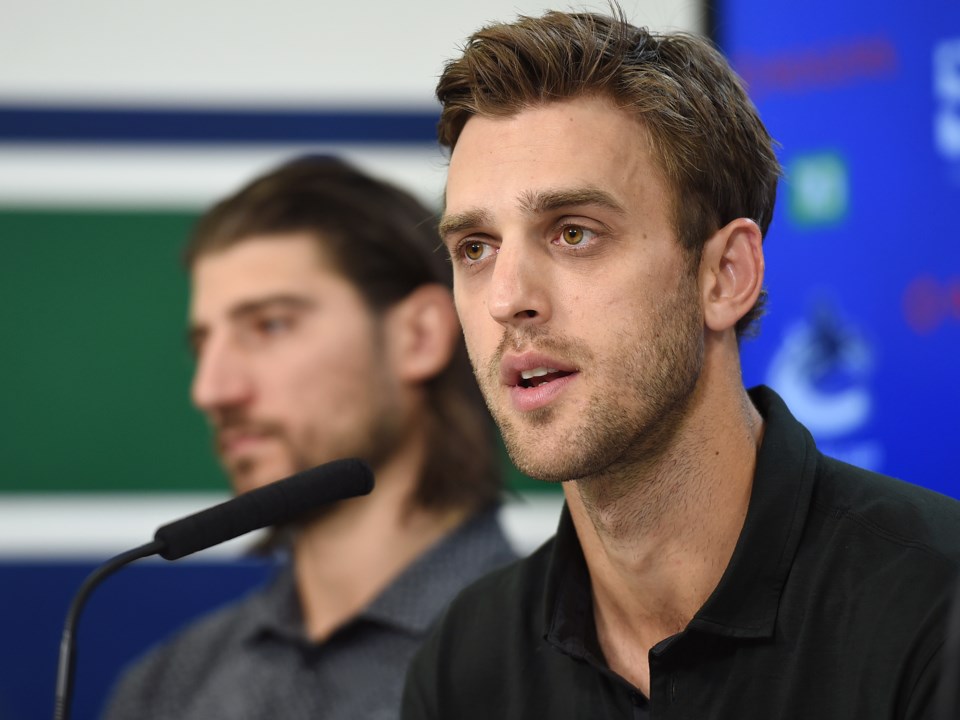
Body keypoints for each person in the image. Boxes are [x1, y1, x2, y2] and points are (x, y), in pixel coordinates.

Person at [402, 8, 960, 719]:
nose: (508, 299)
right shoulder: (466, 664)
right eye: (475, 248)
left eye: (574, 233)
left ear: (726, 275)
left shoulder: (937, 609)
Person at [103, 156, 516, 720]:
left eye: (270, 325)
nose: (212, 390)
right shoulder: (167, 687)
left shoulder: (559, 663)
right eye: (203, 345)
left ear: (418, 336)